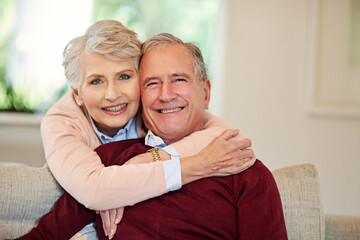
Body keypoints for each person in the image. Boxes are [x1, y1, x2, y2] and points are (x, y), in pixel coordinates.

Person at [15, 33, 287, 239]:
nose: (166, 94)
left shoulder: (244, 172)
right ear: (141, 95)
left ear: (205, 93)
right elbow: (44, 237)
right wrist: (114, 191)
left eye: (179, 79)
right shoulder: (109, 163)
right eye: (152, 83)